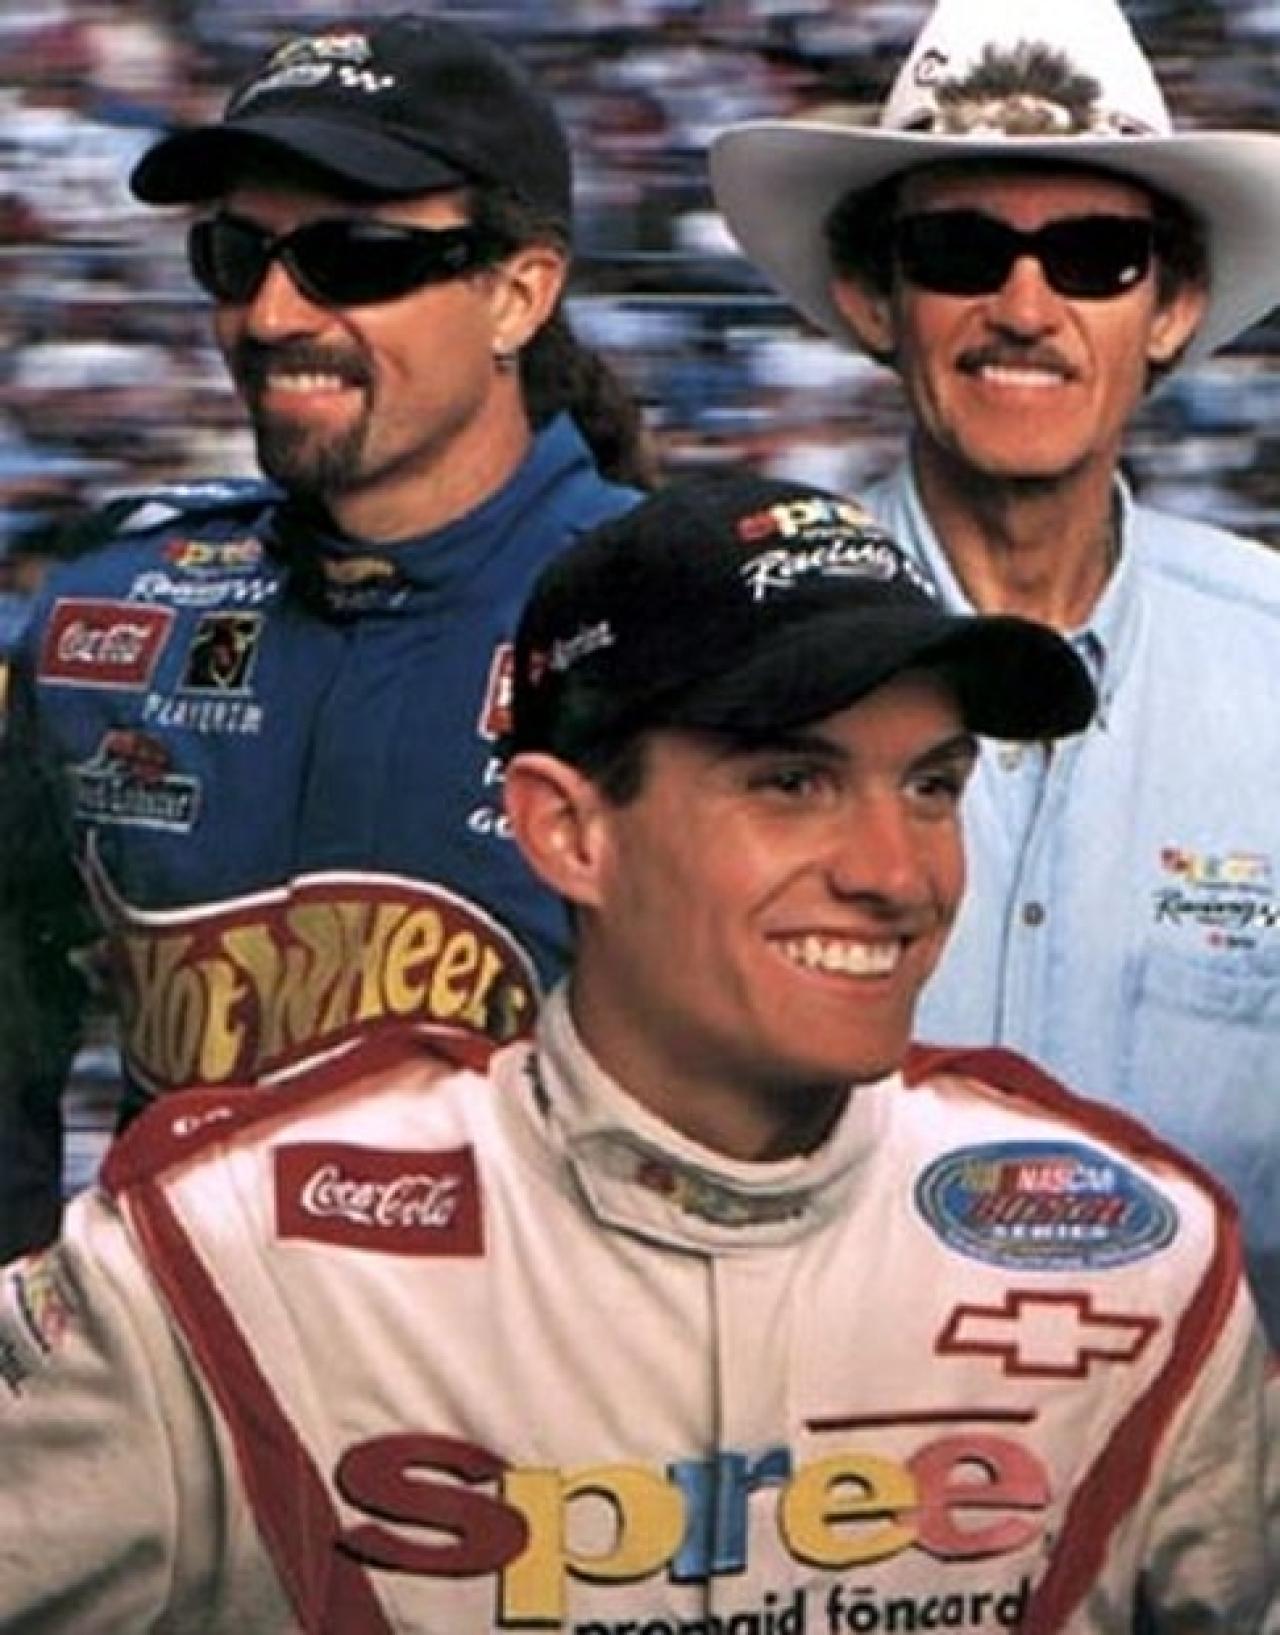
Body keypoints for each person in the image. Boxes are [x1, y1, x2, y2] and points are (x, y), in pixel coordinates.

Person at [0, 472, 1272, 1632]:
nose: (896, 875)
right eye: (791, 783)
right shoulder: (211, 1262)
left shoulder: (1140, 1260)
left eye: (931, 786)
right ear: (566, 831)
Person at [0, 13, 651, 1260]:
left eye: (353, 258)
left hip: (549, 1364)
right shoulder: (107, 614)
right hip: (178, 1356)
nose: (271, 315)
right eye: (235, 256)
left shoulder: (680, 618)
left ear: (518, 294)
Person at [709, 0, 1280, 1345]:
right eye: (962, 252)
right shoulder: (721, 655)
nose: (1025, 309)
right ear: (874, 299)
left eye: (1093, 257)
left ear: (1170, 308)